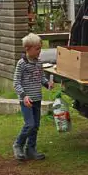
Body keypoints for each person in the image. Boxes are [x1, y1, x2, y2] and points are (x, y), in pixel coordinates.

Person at [12, 33, 54, 161]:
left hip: (37, 99)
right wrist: (24, 96)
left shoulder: (39, 62)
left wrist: (47, 84)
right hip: (26, 100)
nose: (39, 51)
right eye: (37, 49)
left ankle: (30, 149)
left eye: (40, 48)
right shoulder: (22, 63)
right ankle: (18, 144)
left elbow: (40, 77)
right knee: (29, 124)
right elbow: (16, 82)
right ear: (27, 48)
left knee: (35, 126)